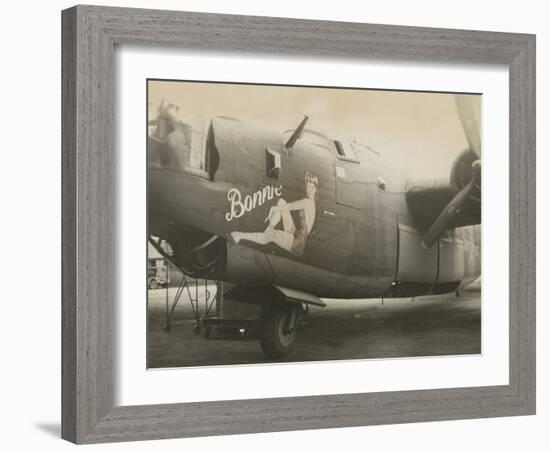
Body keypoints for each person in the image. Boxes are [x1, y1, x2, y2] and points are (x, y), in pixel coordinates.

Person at [231, 172, 318, 257]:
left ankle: (240, 235)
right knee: (281, 202)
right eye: (308, 187)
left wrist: (273, 209)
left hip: (297, 244)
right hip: (295, 235)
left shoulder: (307, 203)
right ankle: (268, 230)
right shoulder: (311, 202)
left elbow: (290, 206)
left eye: (312, 188)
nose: (309, 190)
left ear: (316, 190)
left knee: (271, 235)